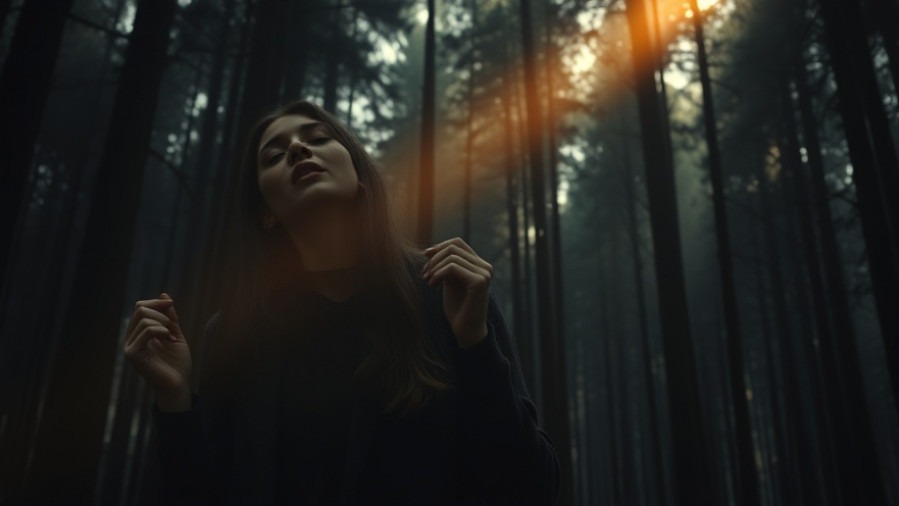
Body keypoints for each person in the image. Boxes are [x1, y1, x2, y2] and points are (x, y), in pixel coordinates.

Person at [123, 100, 561, 505]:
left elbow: (532, 488)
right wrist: (175, 401)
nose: (297, 149)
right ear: (265, 212)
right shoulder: (234, 335)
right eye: (273, 155)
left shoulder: (447, 293)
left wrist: (475, 346)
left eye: (317, 138)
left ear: (359, 173)